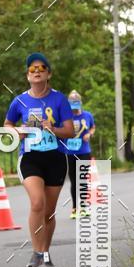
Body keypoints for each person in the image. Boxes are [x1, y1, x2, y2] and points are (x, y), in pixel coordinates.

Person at [4, 53, 75, 267]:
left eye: (41, 68)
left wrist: (52, 128)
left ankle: (45, 252)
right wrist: (18, 131)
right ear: (27, 75)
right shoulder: (19, 101)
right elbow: (7, 124)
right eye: (32, 69)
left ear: (48, 74)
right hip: (30, 157)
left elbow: (70, 131)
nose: (36, 71)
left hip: (55, 158)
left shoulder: (59, 99)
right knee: (37, 202)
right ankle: (37, 253)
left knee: (48, 212)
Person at [61, 90, 96, 219]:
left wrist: (89, 134)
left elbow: (93, 127)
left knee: (83, 179)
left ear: (80, 103)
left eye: (76, 103)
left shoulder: (87, 115)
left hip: (84, 152)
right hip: (70, 152)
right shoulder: (65, 117)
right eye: (72, 104)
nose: (74, 107)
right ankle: (75, 208)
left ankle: (84, 207)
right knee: (74, 181)